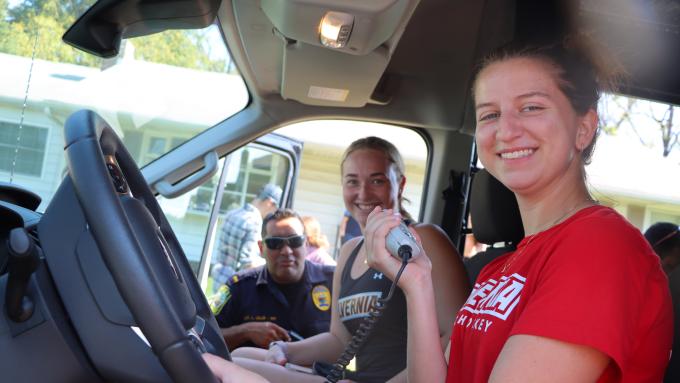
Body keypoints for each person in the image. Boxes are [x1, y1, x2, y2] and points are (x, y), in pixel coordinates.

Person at [364, 38, 674, 382]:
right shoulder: (495, 272)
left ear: (583, 128)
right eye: (490, 114)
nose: (506, 131)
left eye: (531, 108)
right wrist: (418, 283)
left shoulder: (602, 245)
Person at [225, 136, 470, 383]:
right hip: (351, 377)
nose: (363, 193)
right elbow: (339, 340)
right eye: (352, 181)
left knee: (234, 365)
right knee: (242, 352)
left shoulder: (424, 239)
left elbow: (456, 335)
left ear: (401, 184)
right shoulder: (350, 250)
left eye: (377, 180)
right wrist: (285, 350)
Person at [213, 208, 335, 350]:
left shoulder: (333, 282)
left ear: (306, 244)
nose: (286, 251)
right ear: (261, 247)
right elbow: (206, 336)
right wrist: (244, 331)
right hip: (254, 370)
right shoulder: (238, 287)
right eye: (275, 243)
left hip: (317, 372)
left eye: (295, 241)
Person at [212, 184, 283, 288]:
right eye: (276, 208)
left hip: (219, 279)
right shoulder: (254, 221)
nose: (274, 213)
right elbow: (249, 263)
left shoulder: (232, 213)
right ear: (269, 202)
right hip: (234, 286)